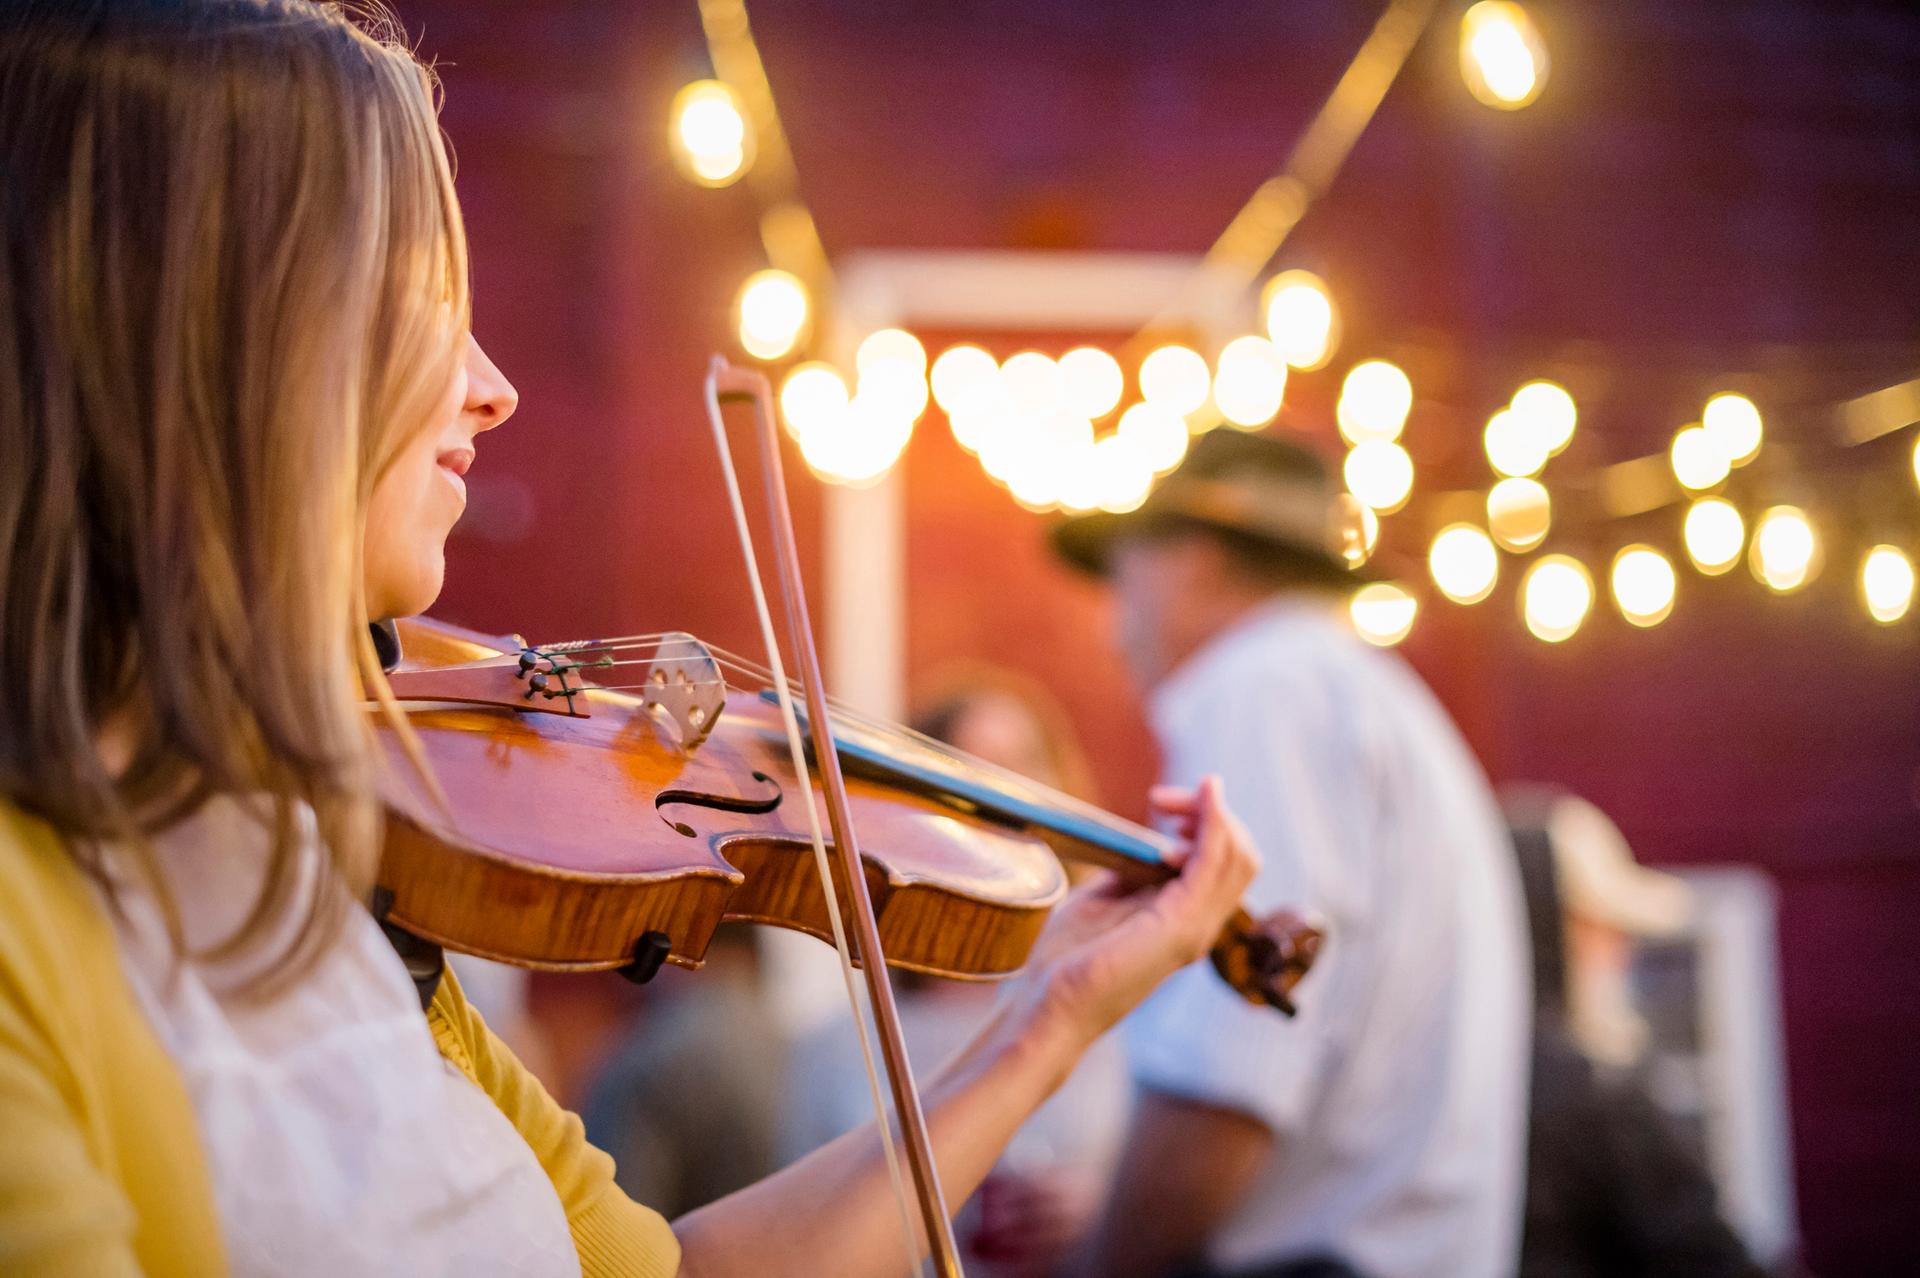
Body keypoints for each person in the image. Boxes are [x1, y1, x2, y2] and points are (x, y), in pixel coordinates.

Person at [0, 5, 1270, 1275]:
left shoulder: (329, 888)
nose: (493, 386)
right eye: (419, 301)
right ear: (211, 336)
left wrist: (1048, 1016)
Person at [1051, 428, 1532, 1278]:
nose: (1116, 635)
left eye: (1124, 587)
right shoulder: (1369, 695)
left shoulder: (1262, 686)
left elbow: (1227, 1076)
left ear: (1193, 563)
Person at [783, 670, 1131, 1277]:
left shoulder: (1122, 1001)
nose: (1004, 795)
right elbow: (793, 1240)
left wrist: (1107, 1217)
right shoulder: (839, 1047)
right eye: (972, 771)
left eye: (1026, 763)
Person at [1505, 789, 1764, 1278]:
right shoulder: (1592, 1096)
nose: (1620, 949)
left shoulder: (1441, 1090)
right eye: (1597, 927)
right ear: (1546, 931)